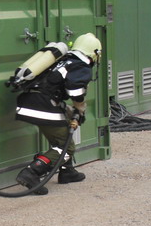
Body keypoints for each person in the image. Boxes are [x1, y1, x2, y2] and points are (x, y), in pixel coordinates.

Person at [14, 33, 102, 195]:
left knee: (62, 134)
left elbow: (52, 87)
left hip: (30, 101)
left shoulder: (63, 60)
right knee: (66, 147)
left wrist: (71, 111)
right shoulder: (80, 65)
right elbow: (75, 90)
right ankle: (31, 172)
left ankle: (67, 171)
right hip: (42, 105)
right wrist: (80, 106)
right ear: (94, 53)